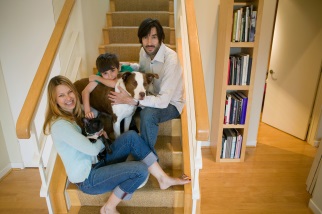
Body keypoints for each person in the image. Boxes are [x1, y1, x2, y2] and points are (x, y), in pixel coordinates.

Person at [42, 75, 190, 214]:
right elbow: (92, 150)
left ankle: (163, 178)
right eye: (61, 95)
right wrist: (101, 140)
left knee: (131, 136)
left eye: (70, 92)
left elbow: (91, 143)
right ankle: (108, 208)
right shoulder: (60, 126)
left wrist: (101, 137)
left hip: (99, 162)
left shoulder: (74, 115)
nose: (68, 98)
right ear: (54, 100)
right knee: (140, 170)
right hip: (88, 179)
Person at [108, 18, 185, 156]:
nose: (149, 42)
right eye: (145, 37)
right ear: (141, 39)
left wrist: (133, 101)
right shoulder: (143, 52)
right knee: (126, 105)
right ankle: (127, 141)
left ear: (161, 39)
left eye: (154, 37)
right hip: (150, 95)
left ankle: (146, 159)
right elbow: (143, 71)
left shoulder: (171, 60)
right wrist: (130, 67)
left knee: (147, 114)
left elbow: (162, 102)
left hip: (170, 104)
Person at [83, 53, 119, 119]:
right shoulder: (99, 74)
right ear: (100, 73)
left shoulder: (125, 70)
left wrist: (97, 78)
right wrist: (87, 111)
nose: (110, 76)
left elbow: (115, 84)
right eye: (105, 73)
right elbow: (85, 91)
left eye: (112, 71)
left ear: (118, 68)